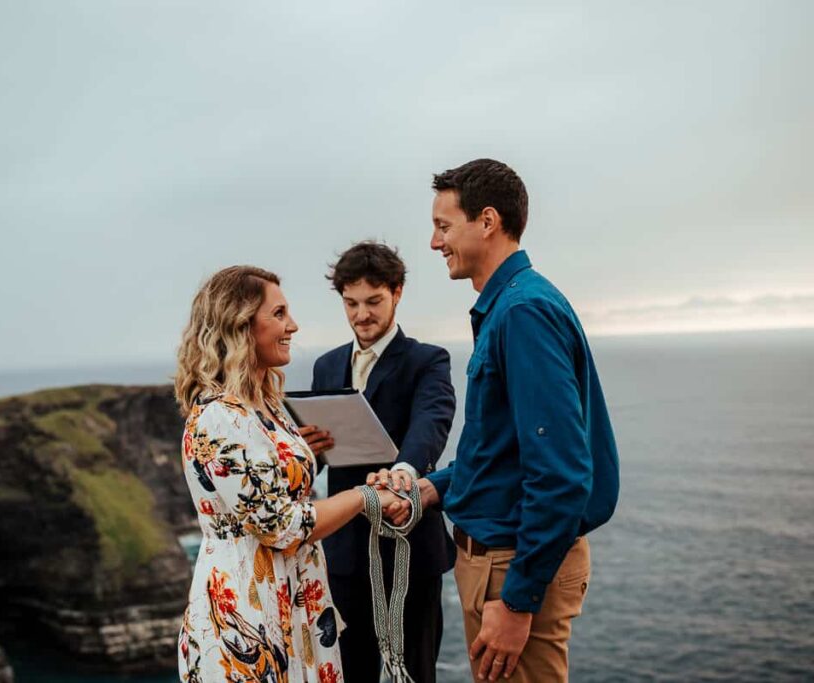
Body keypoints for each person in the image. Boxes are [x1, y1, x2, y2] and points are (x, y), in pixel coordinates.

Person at [373, 159, 619, 682]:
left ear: (487, 221)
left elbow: (560, 473)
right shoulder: (511, 307)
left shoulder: (522, 313)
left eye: (443, 226)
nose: (434, 243)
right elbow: (500, 455)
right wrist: (427, 489)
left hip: (511, 568)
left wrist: (519, 600)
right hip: (499, 562)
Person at [174, 265, 403, 683]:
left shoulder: (267, 404)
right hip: (247, 610)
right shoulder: (218, 418)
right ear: (241, 324)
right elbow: (280, 526)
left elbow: (262, 484)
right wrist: (364, 497)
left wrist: (298, 455)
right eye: (278, 314)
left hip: (294, 598)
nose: (292, 325)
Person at [300, 242, 456, 683]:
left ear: (397, 293)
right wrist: (308, 452)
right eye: (351, 303)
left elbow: (432, 421)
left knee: (416, 673)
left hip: (410, 544)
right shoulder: (326, 365)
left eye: (373, 302)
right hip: (346, 551)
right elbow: (320, 460)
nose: (361, 315)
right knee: (349, 673)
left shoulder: (428, 360)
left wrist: (405, 473)